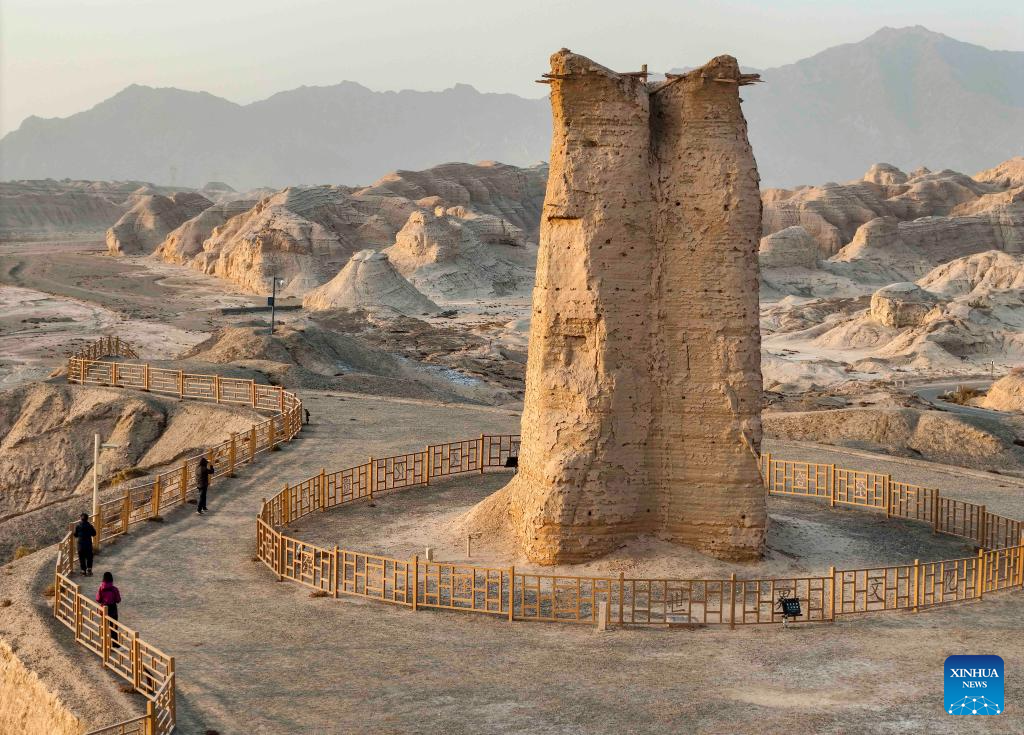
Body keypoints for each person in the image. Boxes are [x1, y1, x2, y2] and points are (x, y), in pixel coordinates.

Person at [96, 571, 122, 644]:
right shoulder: (114, 589)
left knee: (104, 626)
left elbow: (98, 599)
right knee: (114, 627)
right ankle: (115, 644)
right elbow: (118, 600)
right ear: (112, 580)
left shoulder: (101, 588)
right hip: (113, 609)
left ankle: (104, 643)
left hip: (104, 609)